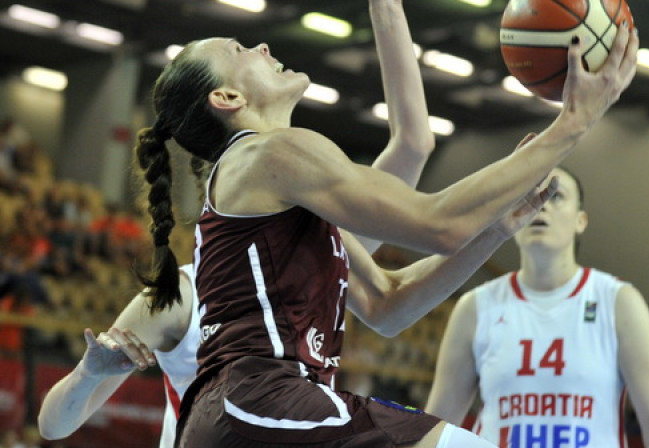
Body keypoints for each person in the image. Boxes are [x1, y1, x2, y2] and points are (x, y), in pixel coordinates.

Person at [133, 0, 638, 445]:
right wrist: (573, 123)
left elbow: (385, 302)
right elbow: (437, 224)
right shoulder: (272, 151)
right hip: (261, 404)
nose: (262, 45)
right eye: (240, 48)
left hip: (245, 418)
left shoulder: (279, 189)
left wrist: (496, 228)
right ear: (227, 99)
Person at [36, 0, 449, 444]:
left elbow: (413, 145)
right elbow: (53, 424)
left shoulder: (309, 242)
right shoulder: (181, 298)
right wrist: (87, 372)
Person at [425, 167, 649, 448]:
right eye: (529, 196)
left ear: (581, 221)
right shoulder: (475, 307)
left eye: (556, 195)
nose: (541, 205)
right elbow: (436, 428)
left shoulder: (619, 302)